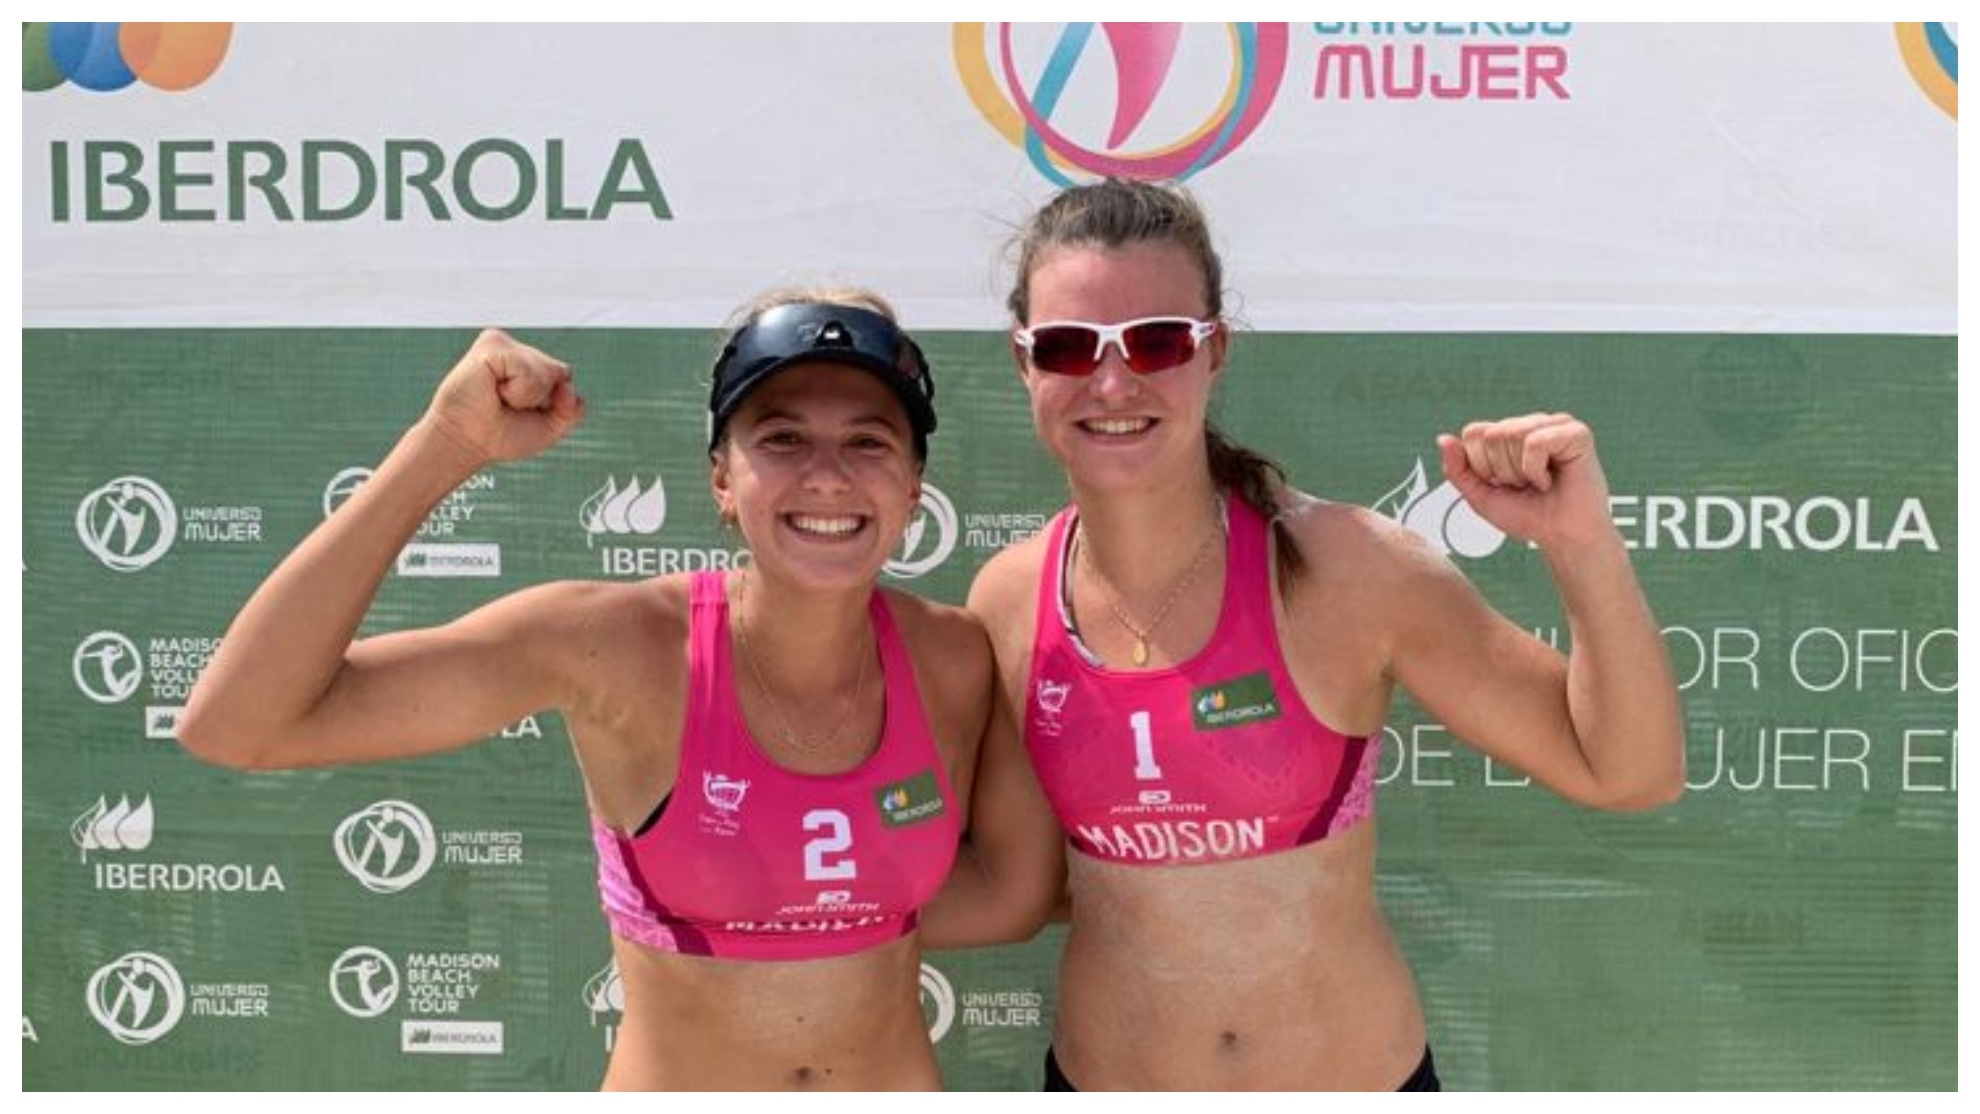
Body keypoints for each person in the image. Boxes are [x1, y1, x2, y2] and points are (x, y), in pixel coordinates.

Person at [951, 179, 1686, 1090]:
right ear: (1025, 363)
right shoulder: (1010, 600)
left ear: (1212, 351)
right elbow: (1016, 888)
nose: (1112, 381)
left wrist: (1583, 547)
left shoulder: (1349, 570)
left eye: (1157, 341)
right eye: (1067, 347)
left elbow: (1631, 770)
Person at [178, 292, 998, 1090]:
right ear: (721, 478)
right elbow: (239, 725)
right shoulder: (615, 646)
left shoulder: (952, 657)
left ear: (915, 484)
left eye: (869, 442)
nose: (827, 476)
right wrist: (446, 444)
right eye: (780, 438)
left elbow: (1016, 888)